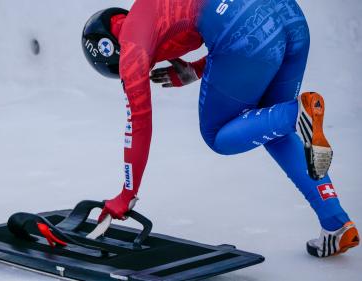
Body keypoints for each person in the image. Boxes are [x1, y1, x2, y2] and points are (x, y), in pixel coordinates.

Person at [81, 0, 359, 257]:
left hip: (244, 34)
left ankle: (295, 113)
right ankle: (335, 223)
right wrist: (194, 70)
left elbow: (138, 125)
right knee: (271, 126)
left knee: (218, 134)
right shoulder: (149, 11)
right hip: (290, 17)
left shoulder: (131, 46)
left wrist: (127, 194)